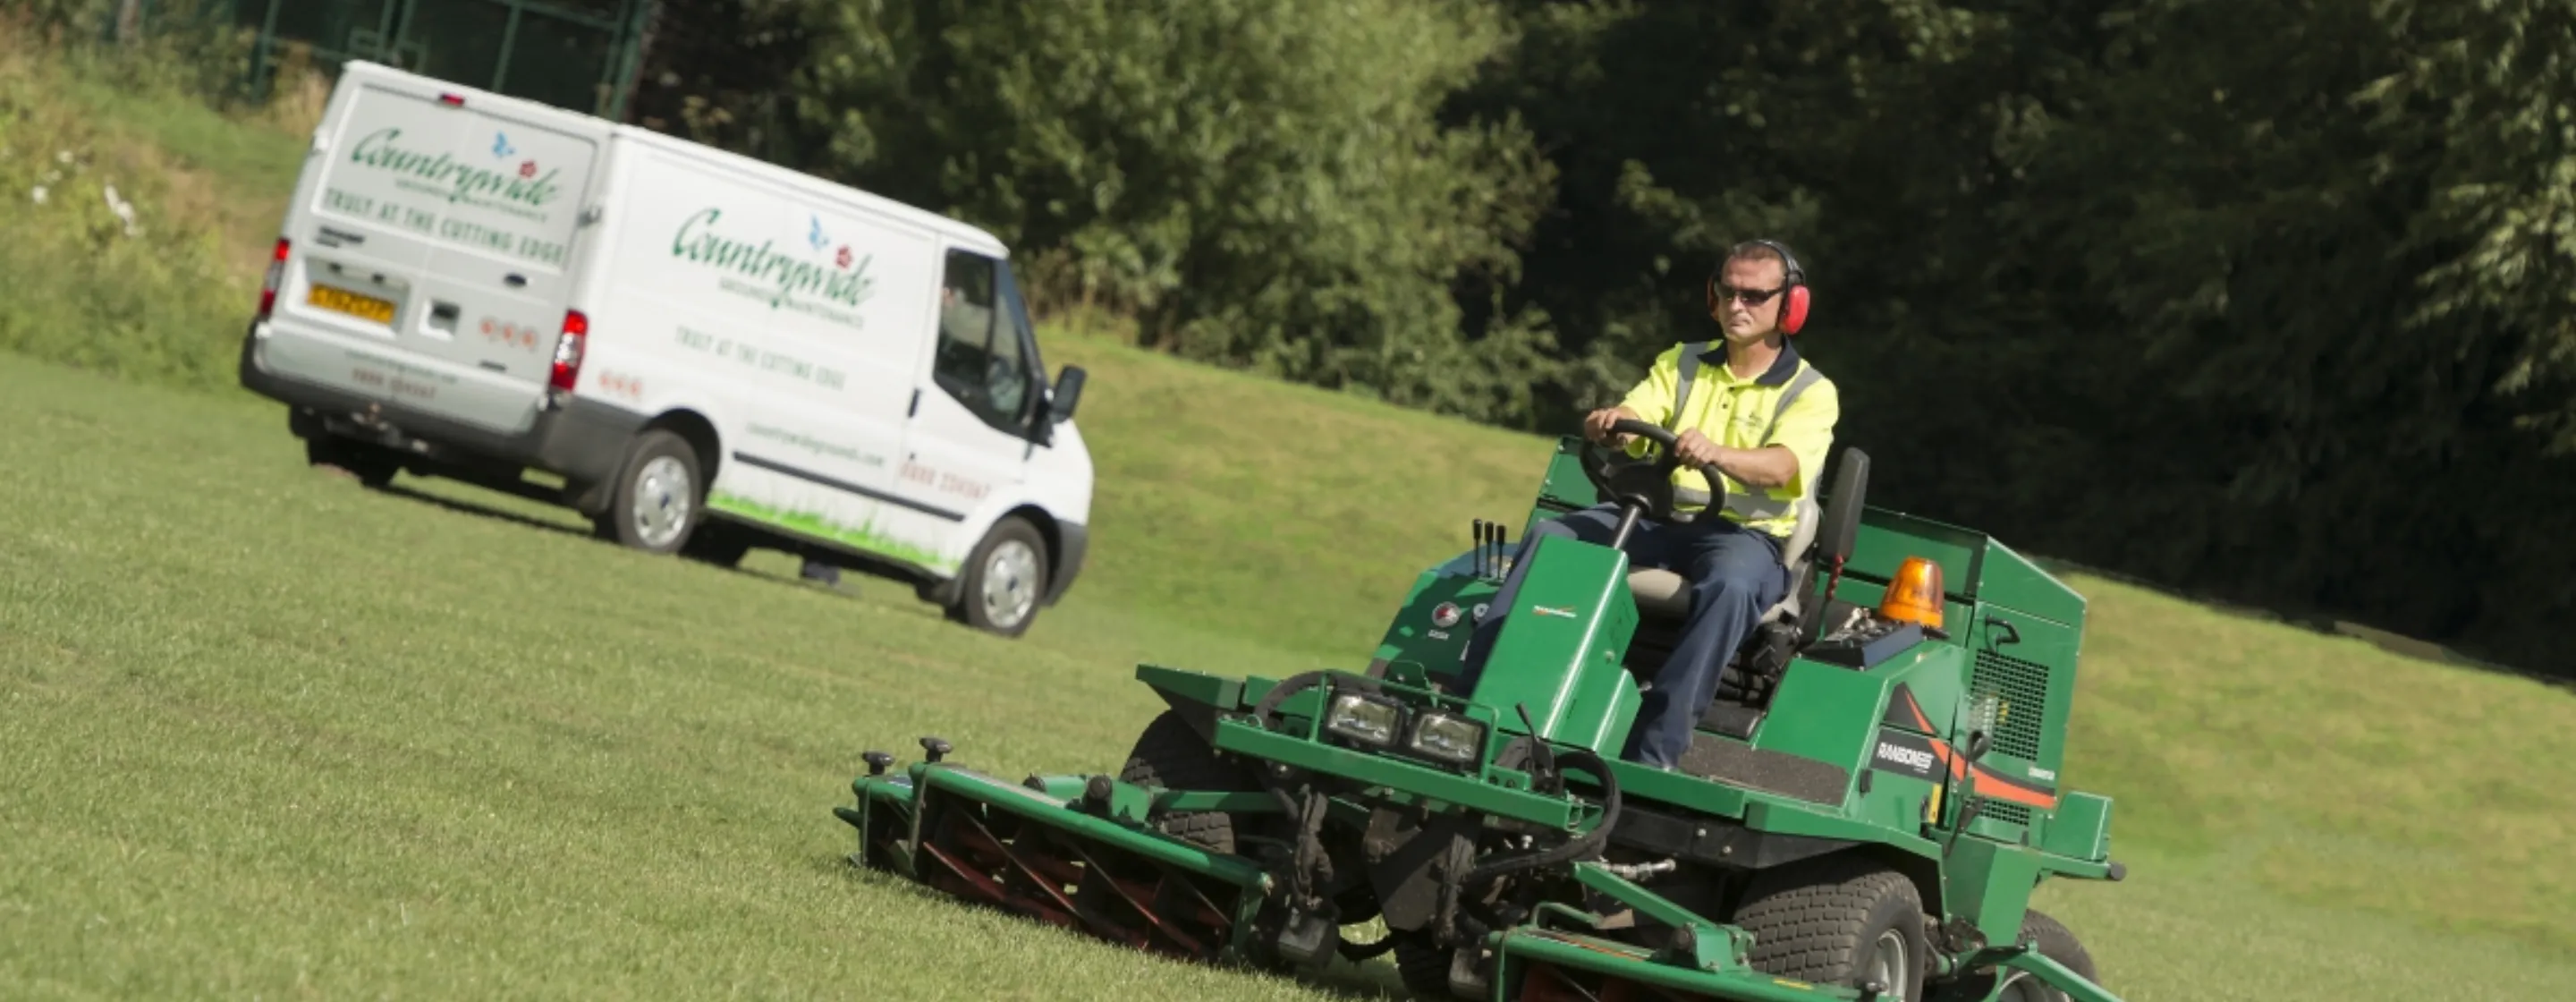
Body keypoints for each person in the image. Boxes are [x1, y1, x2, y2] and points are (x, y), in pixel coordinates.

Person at [1458, 240, 1840, 770]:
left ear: (1789, 306)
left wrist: (1718, 454)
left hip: (1743, 537)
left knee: (1730, 585)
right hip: (1654, 520)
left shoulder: (1810, 390)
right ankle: (1473, 702)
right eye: (1728, 292)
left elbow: (1782, 466)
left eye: (1754, 296)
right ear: (1713, 295)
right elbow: (1641, 410)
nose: (1737, 305)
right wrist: (1611, 424)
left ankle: (1654, 751)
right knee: (1552, 537)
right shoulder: (1681, 361)